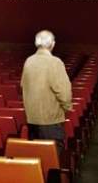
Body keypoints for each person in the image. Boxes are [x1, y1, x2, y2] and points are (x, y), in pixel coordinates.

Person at [20, 29, 73, 159]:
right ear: (52, 44)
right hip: (51, 122)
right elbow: (64, 92)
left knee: (36, 160)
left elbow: (22, 85)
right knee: (52, 162)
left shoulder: (29, 61)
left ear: (36, 43)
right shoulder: (55, 63)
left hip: (32, 121)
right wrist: (67, 108)